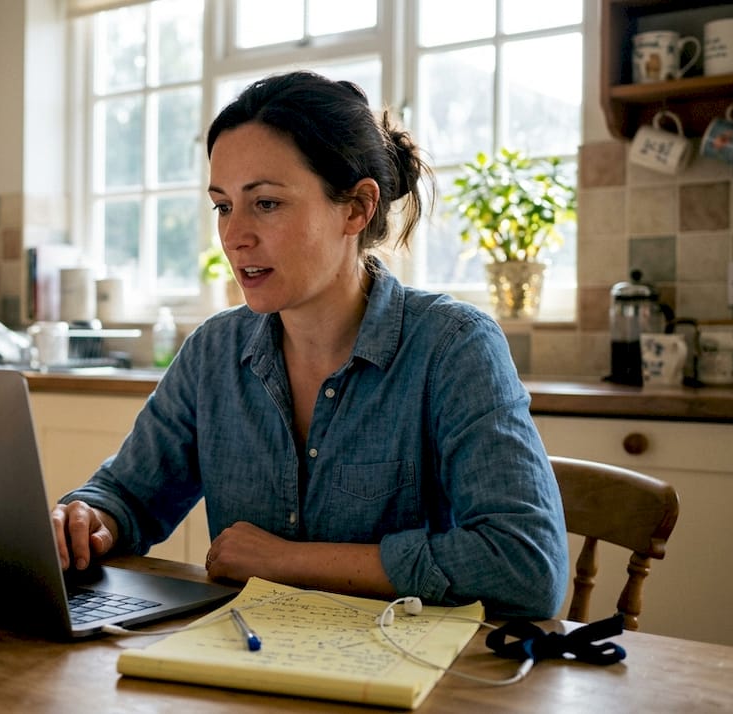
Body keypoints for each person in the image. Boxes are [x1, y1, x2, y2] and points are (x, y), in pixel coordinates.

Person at [51, 71, 568, 618]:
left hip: (409, 687)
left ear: (356, 208)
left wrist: (287, 560)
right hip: (242, 676)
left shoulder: (453, 346)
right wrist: (85, 520)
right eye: (223, 206)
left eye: (267, 203)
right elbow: (127, 496)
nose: (234, 235)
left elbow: (526, 566)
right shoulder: (214, 352)